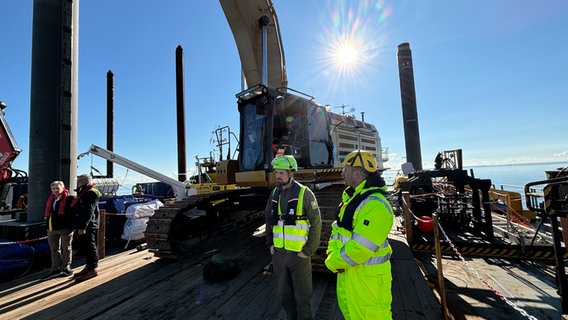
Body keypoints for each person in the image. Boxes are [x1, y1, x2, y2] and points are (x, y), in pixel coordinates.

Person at [325, 150, 394, 320]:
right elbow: (337, 231)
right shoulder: (353, 198)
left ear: (356, 173)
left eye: (345, 169)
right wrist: (331, 252)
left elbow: (360, 248)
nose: (341, 172)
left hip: (368, 284)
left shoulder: (375, 205)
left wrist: (333, 261)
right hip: (351, 276)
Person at [265, 155, 322, 320]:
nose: (277, 176)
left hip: (299, 256)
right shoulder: (274, 193)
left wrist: (308, 251)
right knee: (284, 296)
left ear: (292, 173)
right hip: (279, 255)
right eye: (276, 172)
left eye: (281, 172)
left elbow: (316, 223)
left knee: (303, 298)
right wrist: (270, 243)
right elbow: (269, 220)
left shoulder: (305, 193)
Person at [70, 174, 102, 282]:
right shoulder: (84, 191)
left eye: (79, 180)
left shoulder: (91, 192)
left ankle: (92, 269)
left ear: (84, 181)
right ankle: (88, 267)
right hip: (84, 223)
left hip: (88, 224)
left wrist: (83, 226)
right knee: (86, 246)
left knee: (90, 246)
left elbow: (89, 211)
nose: (77, 182)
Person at [43, 180, 75, 279]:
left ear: (63, 188)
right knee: (54, 249)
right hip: (52, 227)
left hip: (65, 227)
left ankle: (66, 267)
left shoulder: (70, 198)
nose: (55, 190)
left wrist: (72, 226)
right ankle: (55, 268)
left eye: (57, 188)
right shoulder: (51, 199)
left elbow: (73, 213)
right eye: (53, 188)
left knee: (66, 248)